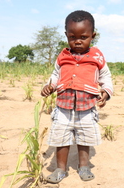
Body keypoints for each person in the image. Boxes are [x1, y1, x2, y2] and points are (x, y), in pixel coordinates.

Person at [41, 10, 113, 183]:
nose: (78, 41)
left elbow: (106, 77)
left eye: (84, 37)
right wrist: (49, 86)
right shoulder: (63, 56)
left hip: (86, 107)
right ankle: (60, 169)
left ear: (93, 36)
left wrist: (105, 92)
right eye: (72, 37)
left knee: (84, 137)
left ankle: (84, 166)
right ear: (66, 35)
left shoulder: (97, 56)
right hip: (63, 107)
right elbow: (56, 75)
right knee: (61, 137)